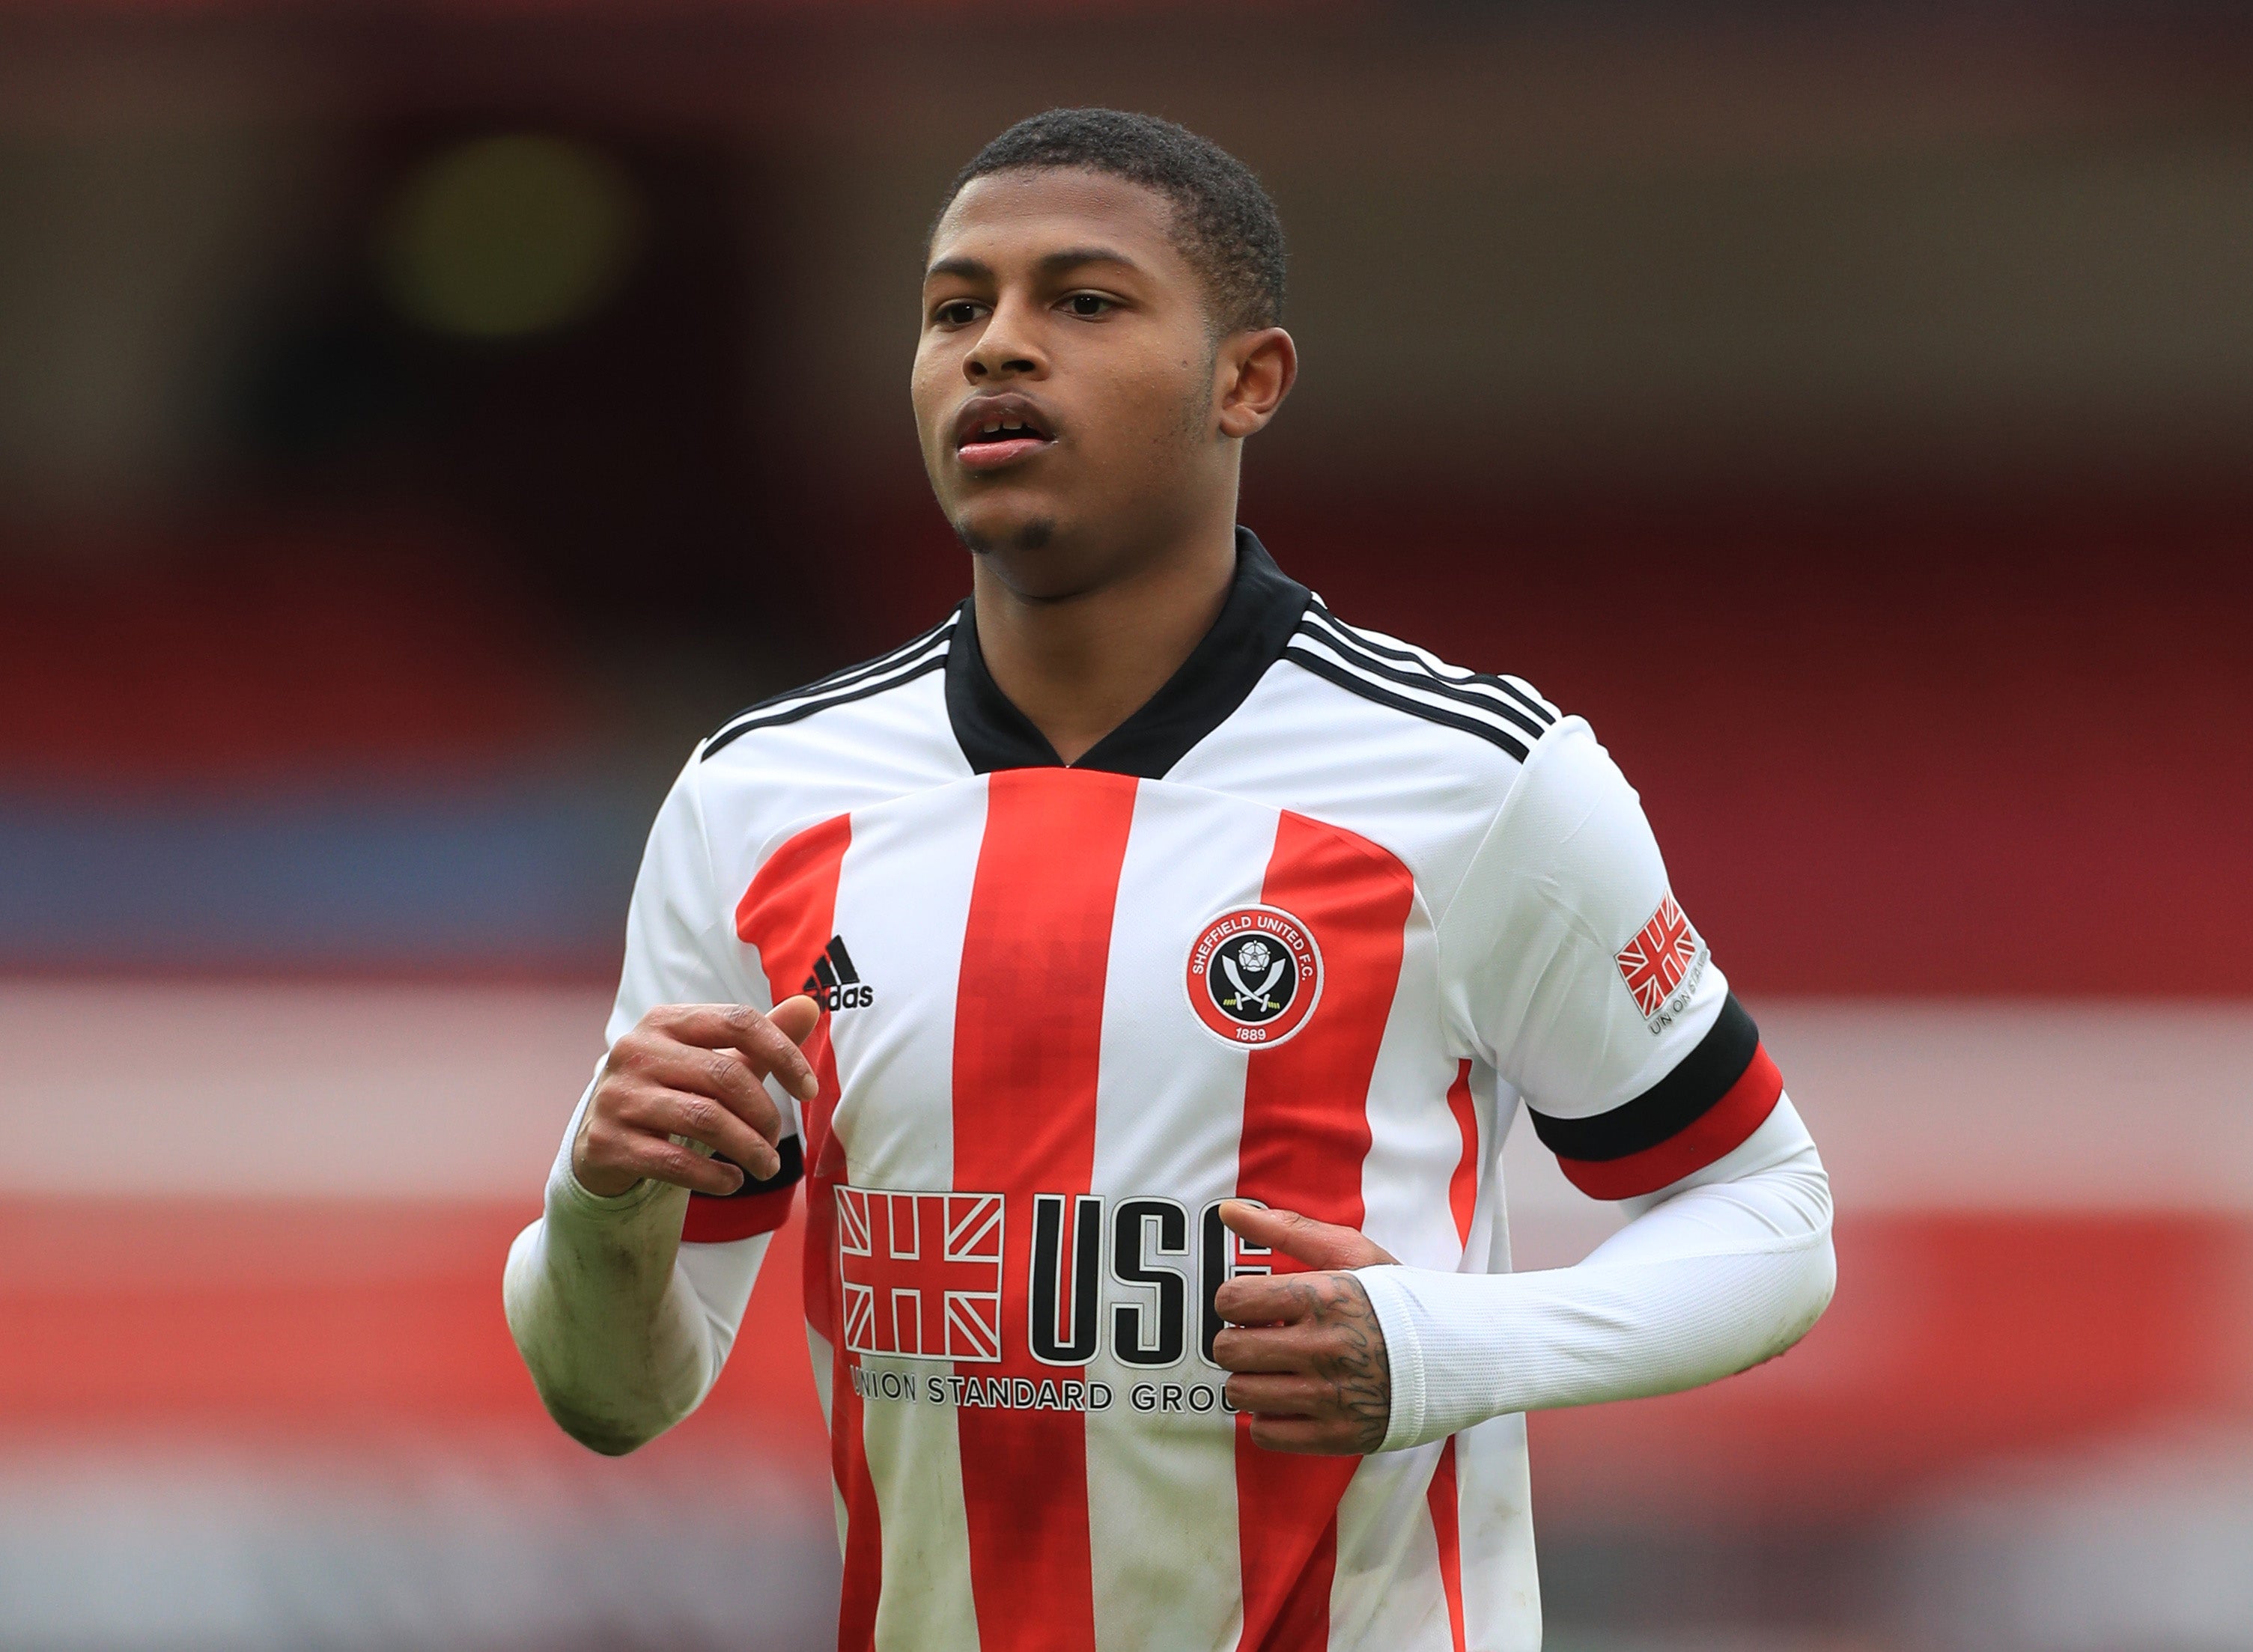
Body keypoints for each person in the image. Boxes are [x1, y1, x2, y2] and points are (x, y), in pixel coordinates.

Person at [505, 107, 1834, 1652]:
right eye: (954, 309)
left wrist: (1446, 1348)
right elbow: (621, 1397)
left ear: (1245, 381)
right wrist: (598, 1206)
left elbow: (1763, 1213)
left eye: (1080, 301)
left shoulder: (1475, 781)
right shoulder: (758, 804)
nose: (997, 347)